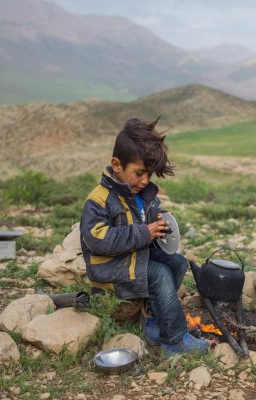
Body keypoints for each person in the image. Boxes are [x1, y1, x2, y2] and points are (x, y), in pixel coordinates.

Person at [80, 117, 208, 354]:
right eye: (139, 173)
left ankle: (153, 319)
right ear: (117, 164)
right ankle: (174, 340)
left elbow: (143, 219)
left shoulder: (140, 192)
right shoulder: (98, 200)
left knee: (177, 263)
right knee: (159, 274)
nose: (145, 180)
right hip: (110, 266)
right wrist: (144, 232)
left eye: (149, 174)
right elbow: (98, 240)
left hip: (133, 256)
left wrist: (158, 221)